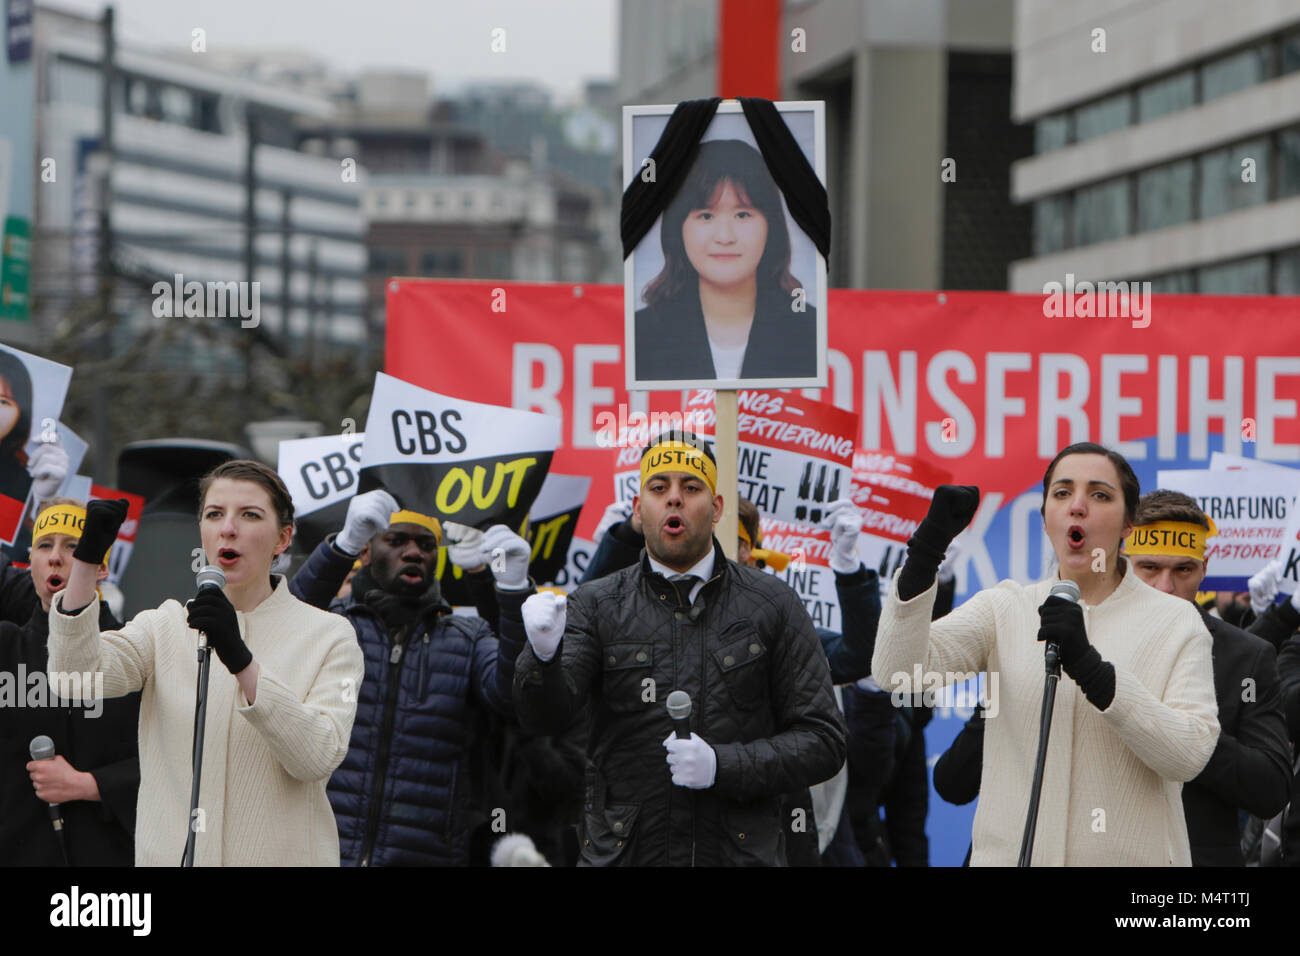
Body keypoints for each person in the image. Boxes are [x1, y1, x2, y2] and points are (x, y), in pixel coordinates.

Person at [872, 441, 1219, 866]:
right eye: (1062, 492)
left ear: (1129, 523)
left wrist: (1092, 671)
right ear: (1045, 518)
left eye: (1099, 494)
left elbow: (1189, 754)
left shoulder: (1176, 622)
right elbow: (897, 672)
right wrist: (925, 554)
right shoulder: (1005, 607)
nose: (1077, 506)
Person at [513, 430, 846, 866]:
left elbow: (823, 741)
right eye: (658, 487)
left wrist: (722, 766)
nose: (674, 499)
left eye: (691, 487)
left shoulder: (773, 603)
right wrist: (540, 658)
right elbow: (543, 718)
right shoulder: (596, 603)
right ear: (638, 508)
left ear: (717, 509)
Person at [47, 460, 364, 866]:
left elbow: (316, 756)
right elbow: (74, 679)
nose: (228, 528)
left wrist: (242, 662)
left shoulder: (329, 635)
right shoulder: (165, 625)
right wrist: (86, 563)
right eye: (214, 514)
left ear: (283, 538)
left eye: (249, 515)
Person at [289, 490, 528, 866]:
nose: (414, 552)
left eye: (426, 544)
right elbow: (279, 631)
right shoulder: (330, 625)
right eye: (396, 541)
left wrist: (512, 595)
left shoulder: (468, 638)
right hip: (317, 853)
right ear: (365, 552)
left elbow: (516, 696)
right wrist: (340, 548)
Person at [1124, 490, 1292, 865]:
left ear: (1204, 568)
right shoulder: (1086, 642)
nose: (1165, 587)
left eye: (1183, 569)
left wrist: (1185, 733)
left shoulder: (1245, 656)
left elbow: (1271, 788)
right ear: (1123, 563)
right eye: (1149, 568)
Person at [1, 498, 139, 866]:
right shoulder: (6, 648)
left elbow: (174, 762)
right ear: (28, 563)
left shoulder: (134, 650)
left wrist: (92, 785)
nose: (56, 557)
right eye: (44, 545)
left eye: (73, 546)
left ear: (101, 566)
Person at [633, 139, 816, 383]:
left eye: (743, 215)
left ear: (771, 225)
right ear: (678, 228)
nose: (725, 237)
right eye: (706, 216)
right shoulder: (641, 335)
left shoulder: (810, 331)